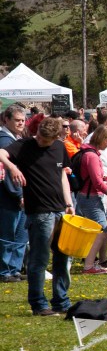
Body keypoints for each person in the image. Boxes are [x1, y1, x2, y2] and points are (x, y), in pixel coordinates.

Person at [0, 117, 75, 315]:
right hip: (40, 213)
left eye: (45, 140)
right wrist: (12, 167)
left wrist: (69, 202)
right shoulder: (24, 145)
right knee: (39, 260)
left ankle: (61, 300)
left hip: (61, 210)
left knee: (62, 258)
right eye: (40, 136)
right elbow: (1, 153)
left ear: (56, 138)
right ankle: (39, 304)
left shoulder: (59, 147)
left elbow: (62, 176)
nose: (41, 141)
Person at [74, 126, 107, 274]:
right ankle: (89, 265)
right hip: (89, 197)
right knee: (101, 229)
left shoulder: (90, 153)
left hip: (89, 196)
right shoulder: (91, 156)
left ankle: (92, 262)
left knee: (101, 229)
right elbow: (96, 182)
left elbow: (96, 178)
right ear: (100, 138)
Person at [0, 106, 27, 283]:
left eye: (23, 120)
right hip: (9, 198)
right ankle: (5, 271)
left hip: (21, 195)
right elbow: (9, 175)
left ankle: (15, 269)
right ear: (6, 120)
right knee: (8, 235)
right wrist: (18, 195)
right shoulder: (4, 141)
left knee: (20, 236)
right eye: (17, 120)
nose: (21, 123)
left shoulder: (16, 138)